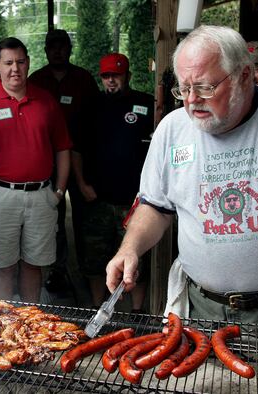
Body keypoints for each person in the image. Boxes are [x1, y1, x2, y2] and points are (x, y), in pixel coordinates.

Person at [105, 25, 258, 393]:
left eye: (206, 87)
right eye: (184, 88)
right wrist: (129, 249)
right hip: (202, 311)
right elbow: (155, 207)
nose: (192, 100)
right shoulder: (172, 130)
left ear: (244, 75)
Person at [0, 37, 72, 303]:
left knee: (34, 265)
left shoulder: (46, 101)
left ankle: (30, 327)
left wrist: (58, 192)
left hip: (41, 196)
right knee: (2, 267)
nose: (14, 68)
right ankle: (5, 327)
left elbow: (63, 148)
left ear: (28, 63)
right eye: (8, 63)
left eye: (20, 62)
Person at [73, 53, 153, 308]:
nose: (111, 81)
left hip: (134, 201)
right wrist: (82, 184)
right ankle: (99, 306)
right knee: (94, 259)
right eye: (106, 76)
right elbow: (75, 149)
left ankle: (138, 312)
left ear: (127, 76)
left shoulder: (147, 104)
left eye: (116, 75)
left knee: (137, 258)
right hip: (98, 198)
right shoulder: (90, 105)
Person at [28, 29, 100, 299]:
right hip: (48, 164)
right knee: (51, 219)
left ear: (69, 49)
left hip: (81, 162)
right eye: (52, 47)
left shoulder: (83, 79)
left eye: (62, 46)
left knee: (85, 220)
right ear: (46, 50)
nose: (57, 51)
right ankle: (56, 270)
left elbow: (97, 120)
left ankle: (87, 271)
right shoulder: (36, 81)